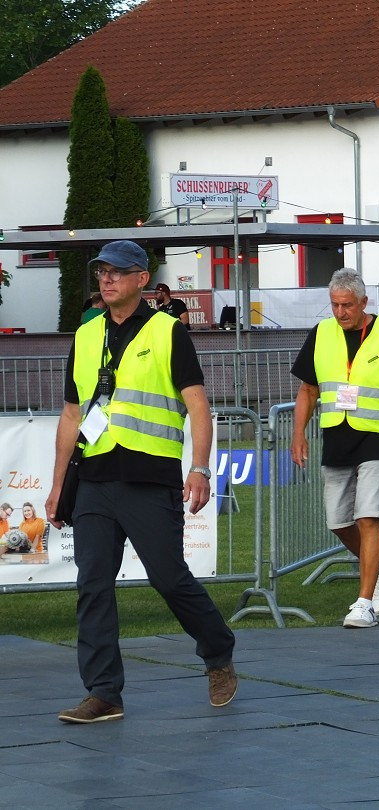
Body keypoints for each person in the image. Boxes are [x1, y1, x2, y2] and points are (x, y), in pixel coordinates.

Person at [44, 239, 236, 724]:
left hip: (150, 478)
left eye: (116, 271)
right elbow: (72, 413)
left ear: (141, 280)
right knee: (92, 584)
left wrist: (199, 468)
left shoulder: (170, 332)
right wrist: (56, 482)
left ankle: (217, 650)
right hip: (94, 478)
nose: (106, 279)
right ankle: (104, 692)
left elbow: (197, 405)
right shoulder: (86, 336)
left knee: (169, 578)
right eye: (101, 272)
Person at [290, 268, 379, 629]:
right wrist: (298, 433)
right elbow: (308, 389)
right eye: (334, 305)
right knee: (338, 521)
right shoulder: (320, 334)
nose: (340, 312)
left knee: (369, 517)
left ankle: (363, 602)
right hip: (336, 435)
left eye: (347, 305)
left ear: (364, 303)